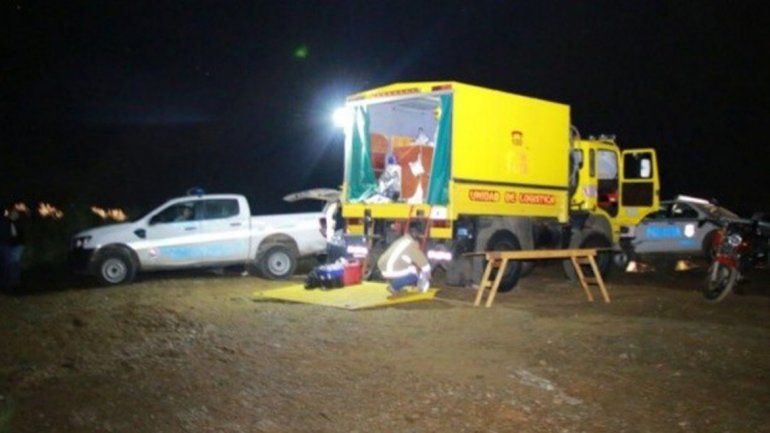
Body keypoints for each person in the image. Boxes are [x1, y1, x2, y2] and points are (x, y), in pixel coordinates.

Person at [377, 230, 431, 295]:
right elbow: (425, 265)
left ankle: (396, 283)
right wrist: (427, 276)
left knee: (411, 268)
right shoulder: (412, 245)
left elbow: (404, 259)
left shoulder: (401, 241)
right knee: (415, 274)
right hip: (390, 268)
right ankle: (394, 286)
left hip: (382, 266)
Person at [0, 207, 24, 290]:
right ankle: (6, 282)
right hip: (6, 244)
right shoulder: (4, 222)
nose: (14, 215)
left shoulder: (19, 223)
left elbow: (21, 234)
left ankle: (14, 282)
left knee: (15, 263)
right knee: (7, 264)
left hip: (16, 245)